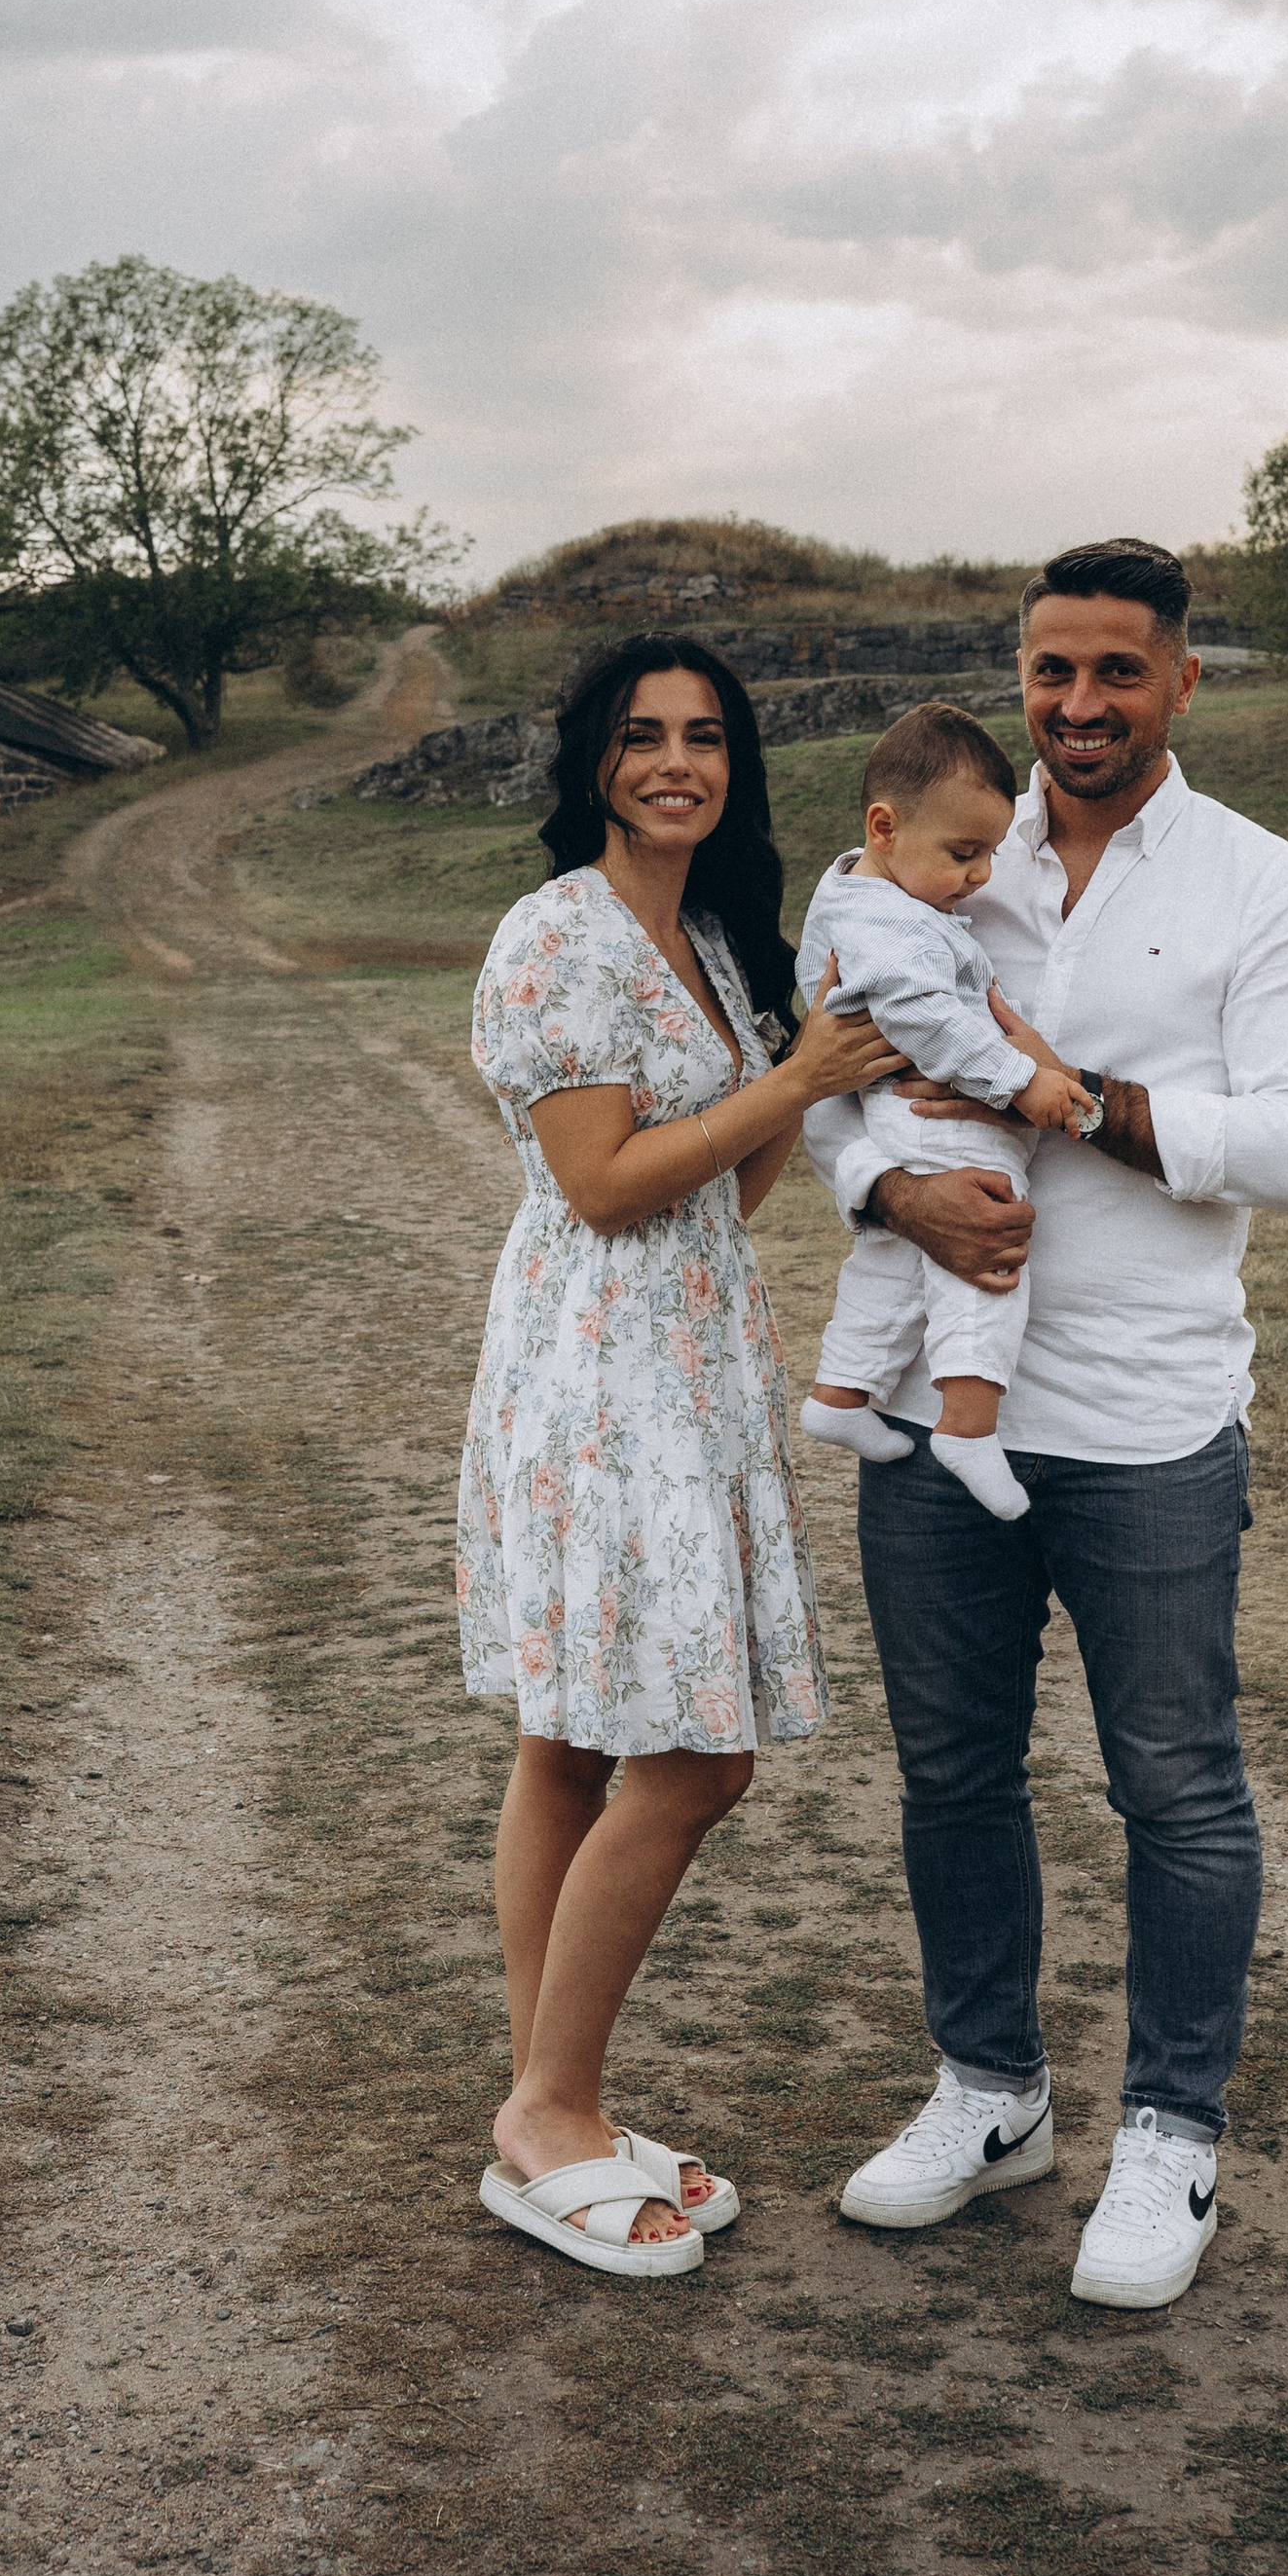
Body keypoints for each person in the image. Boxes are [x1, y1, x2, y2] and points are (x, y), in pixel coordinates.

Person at [804, 539, 1288, 2309]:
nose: (1081, 707)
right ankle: (992, 2092)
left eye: (1119, 672)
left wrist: (1083, 1105)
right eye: (1054, 671)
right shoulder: (930, 858)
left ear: (1183, 681)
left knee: (1175, 1788)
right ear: (1019, 677)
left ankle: (1172, 2138)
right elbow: (834, 1091)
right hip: (933, 1412)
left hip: (1146, 1416)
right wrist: (896, 1201)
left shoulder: (1261, 884)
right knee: (955, 1775)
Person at [458, 632, 902, 2279]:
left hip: (693, 1357)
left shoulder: (714, 931)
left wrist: (806, 1059)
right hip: (596, 1378)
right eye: (643, 736)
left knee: (574, 1740)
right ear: (593, 759)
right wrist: (793, 1073)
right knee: (690, 1756)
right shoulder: (555, 934)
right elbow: (603, 1181)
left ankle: (546, 2108)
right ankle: (552, 2108)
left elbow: (728, 1188)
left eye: (705, 738)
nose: (677, 763)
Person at [794, 703, 1095, 1521]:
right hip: (943, 1117)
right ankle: (967, 1425)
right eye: (964, 854)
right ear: (884, 827)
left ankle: (841, 1392)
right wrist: (1022, 1081)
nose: (981, 876)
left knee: (896, 1260)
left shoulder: (872, 904)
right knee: (986, 1252)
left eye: (990, 853)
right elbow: (928, 1020)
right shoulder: (885, 926)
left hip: (897, 1118)